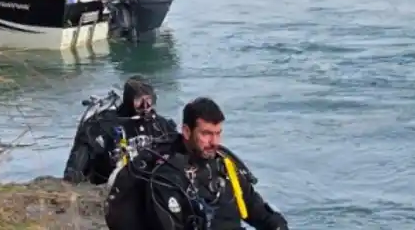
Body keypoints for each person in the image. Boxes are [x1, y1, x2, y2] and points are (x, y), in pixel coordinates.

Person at [105, 97, 289, 230]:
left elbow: (253, 207)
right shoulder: (166, 177)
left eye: (218, 133)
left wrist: (277, 224)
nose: (215, 142)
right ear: (186, 131)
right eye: (206, 133)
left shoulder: (224, 164)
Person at [63, 75, 177, 185]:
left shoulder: (160, 125)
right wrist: (73, 175)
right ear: (128, 100)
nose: (145, 105)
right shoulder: (104, 124)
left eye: (148, 100)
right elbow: (81, 153)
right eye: (139, 100)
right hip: (108, 183)